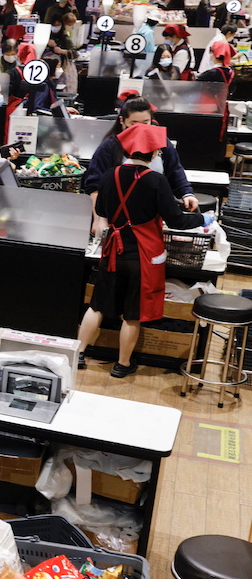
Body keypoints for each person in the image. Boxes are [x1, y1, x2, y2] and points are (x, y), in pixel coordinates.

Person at [77, 124, 207, 377]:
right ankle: (122, 364)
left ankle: (79, 352)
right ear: (154, 153)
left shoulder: (110, 175)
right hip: (143, 255)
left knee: (97, 305)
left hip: (112, 250)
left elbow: (102, 211)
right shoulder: (156, 181)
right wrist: (204, 220)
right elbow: (177, 220)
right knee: (132, 314)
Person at [82, 96, 199, 236]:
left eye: (146, 122)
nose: (140, 128)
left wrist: (186, 193)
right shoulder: (110, 146)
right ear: (122, 121)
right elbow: (94, 185)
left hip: (152, 218)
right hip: (118, 219)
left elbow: (174, 170)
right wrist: (100, 219)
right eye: (134, 123)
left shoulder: (161, 142)